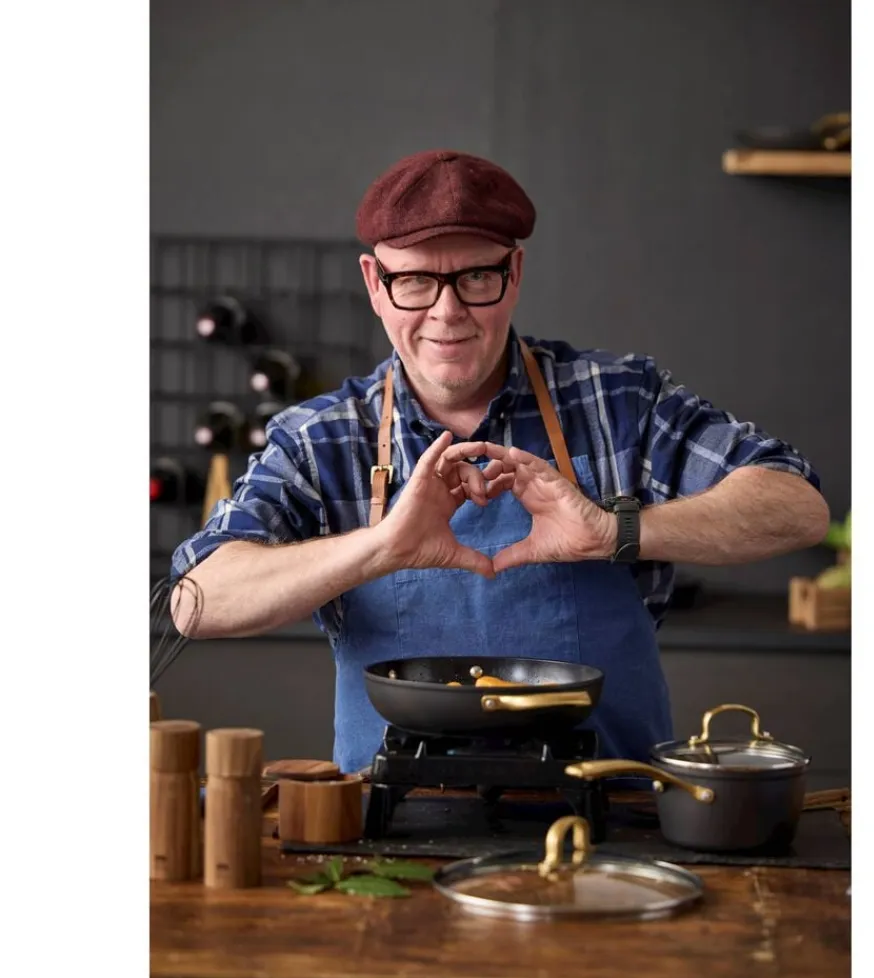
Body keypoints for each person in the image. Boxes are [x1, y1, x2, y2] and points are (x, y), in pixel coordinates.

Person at [170, 148, 830, 775]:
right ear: (375, 282)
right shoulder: (322, 439)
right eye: (415, 281)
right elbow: (196, 602)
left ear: (514, 273)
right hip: (389, 828)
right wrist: (380, 547)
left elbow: (797, 506)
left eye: (476, 278)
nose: (447, 312)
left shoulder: (620, 402)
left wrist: (615, 532)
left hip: (612, 818)